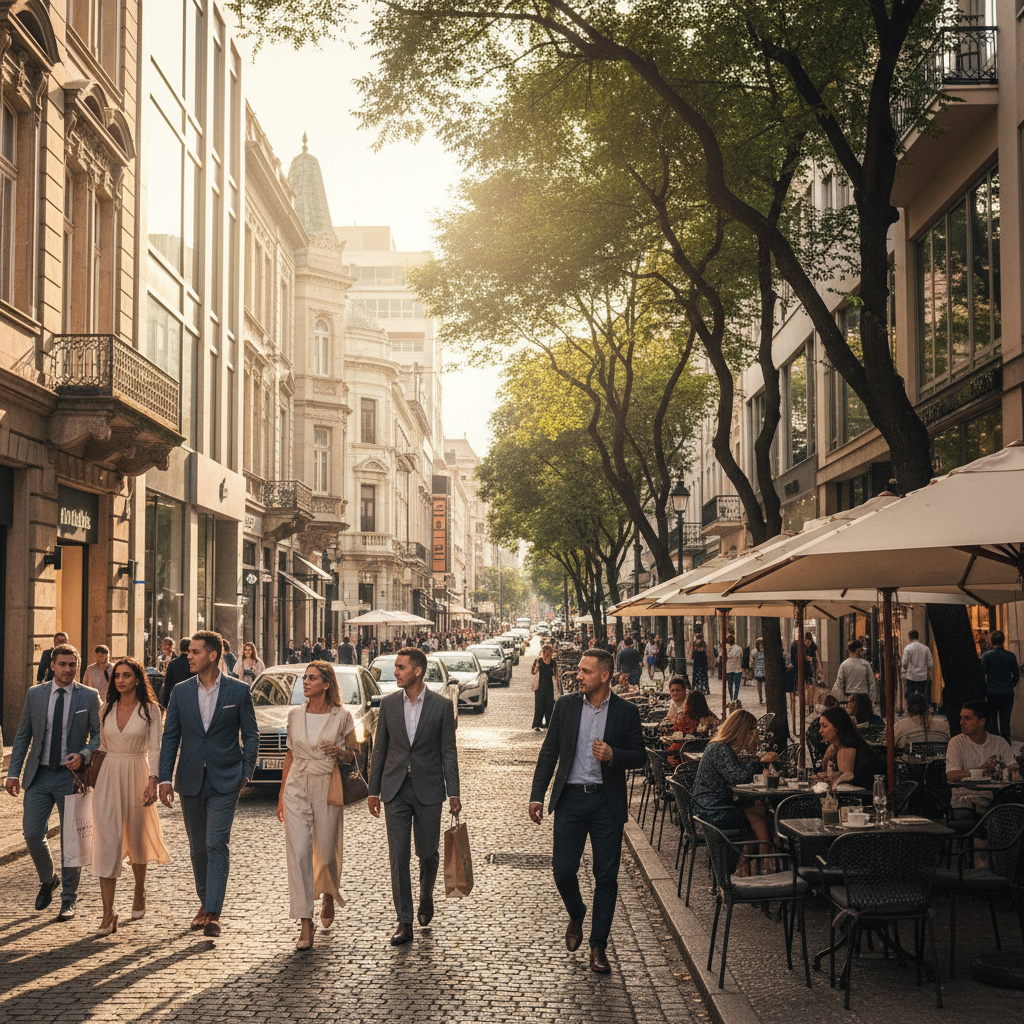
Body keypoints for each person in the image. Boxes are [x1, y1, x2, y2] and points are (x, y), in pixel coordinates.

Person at [529, 648, 646, 974]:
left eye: (585, 671)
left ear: (605, 676)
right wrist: (537, 795)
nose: (578, 676)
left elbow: (639, 755)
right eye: (579, 670)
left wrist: (613, 755)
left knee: (606, 876)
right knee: (563, 870)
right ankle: (577, 911)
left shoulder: (626, 712)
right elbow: (549, 751)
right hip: (570, 800)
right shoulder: (565, 706)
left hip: (606, 804)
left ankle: (598, 947)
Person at [158, 631, 258, 938]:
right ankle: (205, 902)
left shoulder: (238, 691)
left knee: (216, 843)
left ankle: (213, 913)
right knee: (198, 848)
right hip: (190, 779)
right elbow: (171, 736)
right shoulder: (181, 691)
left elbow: (251, 734)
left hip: (226, 779)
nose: (189, 656)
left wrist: (246, 771)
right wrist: (163, 777)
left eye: (195, 652)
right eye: (189, 652)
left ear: (212, 656)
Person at [368, 647, 461, 946]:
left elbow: (448, 751)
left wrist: (454, 792)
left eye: (400, 667)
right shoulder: (389, 704)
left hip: (429, 789)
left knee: (428, 853)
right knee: (398, 857)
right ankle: (404, 921)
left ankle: (426, 896)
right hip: (395, 789)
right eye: (395, 667)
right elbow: (379, 749)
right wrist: (373, 790)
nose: (395, 672)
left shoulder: (441, 706)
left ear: (417, 671)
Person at [5, 644, 101, 921]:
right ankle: (48, 879)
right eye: (62, 664)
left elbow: (98, 736)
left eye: (72, 665)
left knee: (72, 842)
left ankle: (68, 900)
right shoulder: (35, 694)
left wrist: (83, 755)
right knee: (33, 833)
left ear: (78, 666)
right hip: (39, 775)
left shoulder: (89, 696)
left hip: (71, 778)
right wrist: (13, 773)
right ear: (52, 666)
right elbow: (23, 736)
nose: (68, 669)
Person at [276, 661, 358, 950]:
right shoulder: (295, 714)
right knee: (298, 853)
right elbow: (288, 755)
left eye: (312, 678)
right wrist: (281, 794)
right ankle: (304, 923)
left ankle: (327, 893)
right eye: (305, 678)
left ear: (326, 684)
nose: (306, 682)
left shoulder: (342, 716)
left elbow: (355, 755)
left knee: (326, 850)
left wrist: (340, 752)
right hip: (297, 784)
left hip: (327, 784)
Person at [90, 657, 170, 935]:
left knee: (136, 836)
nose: (120, 680)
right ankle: (107, 912)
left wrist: (154, 781)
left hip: (138, 771)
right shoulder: (105, 708)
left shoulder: (151, 710)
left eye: (126, 675)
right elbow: (100, 745)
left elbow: (156, 748)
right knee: (107, 840)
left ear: (137, 679)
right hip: (108, 775)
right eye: (117, 676)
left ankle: (139, 889)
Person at [689, 709, 778, 874]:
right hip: (713, 812)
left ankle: (753, 864)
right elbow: (739, 778)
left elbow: (735, 775)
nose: (754, 735)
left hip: (707, 807)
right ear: (744, 731)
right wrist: (759, 760)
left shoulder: (719, 747)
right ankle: (766, 861)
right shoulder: (720, 749)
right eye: (753, 731)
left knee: (756, 807)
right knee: (758, 812)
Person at [946, 700, 1013, 817]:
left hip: (996, 800)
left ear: (981, 721)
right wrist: (978, 771)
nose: (961, 722)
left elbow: (1013, 767)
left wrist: (1001, 769)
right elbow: (951, 775)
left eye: (967, 718)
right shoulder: (956, 742)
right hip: (965, 801)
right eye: (961, 718)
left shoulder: (999, 743)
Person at [817, 706, 884, 789]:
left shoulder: (847, 749)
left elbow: (844, 785)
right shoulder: (837, 747)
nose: (820, 730)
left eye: (824, 726)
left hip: (867, 796)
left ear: (837, 728)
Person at [981, 630, 1019, 744]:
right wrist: (1010, 685)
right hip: (1007, 693)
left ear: (991, 641)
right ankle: (1006, 745)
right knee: (1005, 721)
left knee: (992, 720)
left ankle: (994, 745)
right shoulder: (1011, 656)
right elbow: (1016, 676)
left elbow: (982, 673)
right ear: (1003, 641)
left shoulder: (986, 656)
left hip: (992, 692)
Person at [832, 639, 876, 704]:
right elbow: (871, 682)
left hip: (849, 695)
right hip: (863, 695)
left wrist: (839, 700)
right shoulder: (865, 664)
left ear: (849, 650)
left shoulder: (844, 664)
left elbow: (839, 684)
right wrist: (872, 699)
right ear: (858, 650)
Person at [531, 644, 558, 731]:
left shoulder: (553, 662)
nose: (547, 655)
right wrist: (537, 667)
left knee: (549, 705)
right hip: (540, 686)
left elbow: (556, 675)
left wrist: (558, 686)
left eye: (548, 653)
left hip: (549, 686)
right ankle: (537, 724)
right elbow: (532, 672)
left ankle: (548, 723)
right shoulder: (538, 660)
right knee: (539, 705)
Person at [901, 629, 933, 700]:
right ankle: (921, 710)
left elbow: (904, 663)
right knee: (921, 697)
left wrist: (907, 668)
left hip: (911, 676)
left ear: (910, 638)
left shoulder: (908, 648)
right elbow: (930, 663)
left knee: (910, 697)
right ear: (918, 637)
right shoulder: (926, 648)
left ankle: (911, 710)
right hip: (922, 677)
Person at [159, 638, 192, 707]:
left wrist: (166, 703)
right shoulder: (193, 664)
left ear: (180, 649)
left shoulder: (172, 663)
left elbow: (167, 685)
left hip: (175, 700)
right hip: (190, 700)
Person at [724, 634, 742, 703]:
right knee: (737, 685)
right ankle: (735, 698)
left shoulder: (725, 648)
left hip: (729, 669)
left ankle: (731, 698)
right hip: (737, 669)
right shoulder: (738, 648)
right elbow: (741, 657)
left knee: (730, 684)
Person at [752, 638, 766, 705]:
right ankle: (764, 697)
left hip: (758, 670)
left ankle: (760, 697)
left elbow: (751, 662)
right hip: (765, 669)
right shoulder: (767, 651)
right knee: (766, 684)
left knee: (759, 685)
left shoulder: (754, 651)